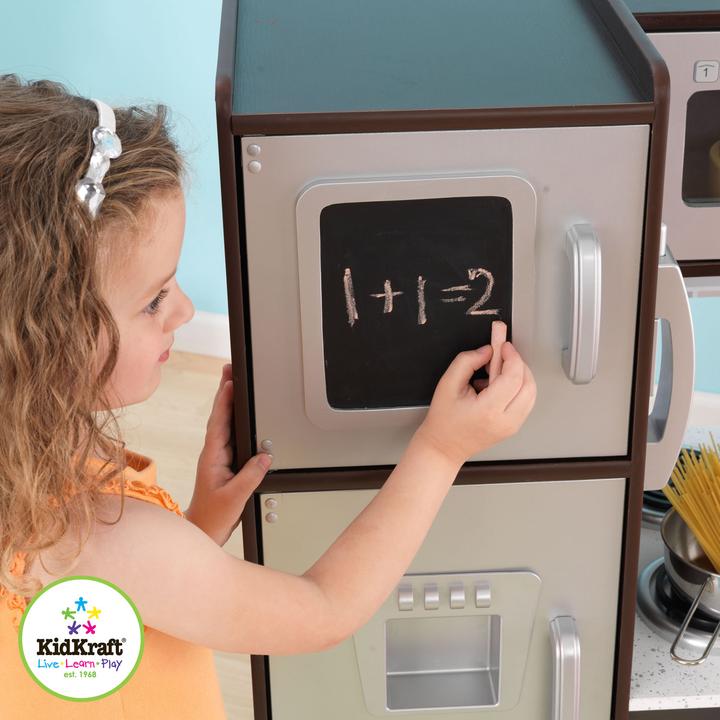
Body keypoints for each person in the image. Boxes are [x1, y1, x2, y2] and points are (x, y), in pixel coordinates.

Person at [0, 75, 537, 719]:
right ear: (46, 339)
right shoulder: (99, 540)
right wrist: (442, 449)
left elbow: (99, 631)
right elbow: (323, 610)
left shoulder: (26, 464)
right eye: (154, 300)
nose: (185, 311)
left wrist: (199, 526)